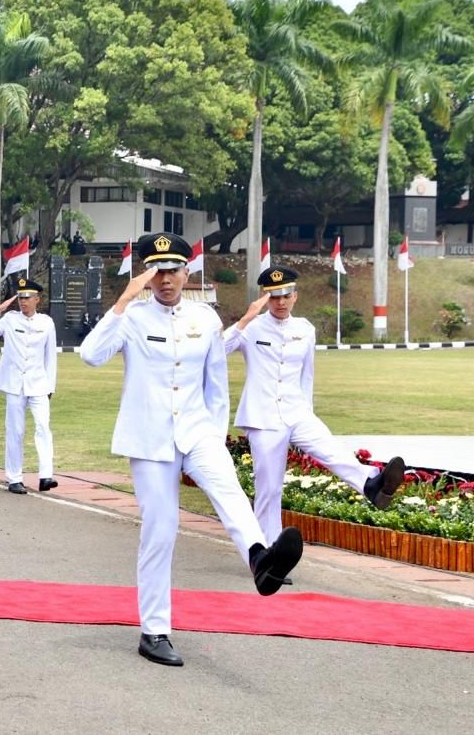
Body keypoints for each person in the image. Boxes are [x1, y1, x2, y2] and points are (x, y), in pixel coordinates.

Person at [79, 233, 304, 667]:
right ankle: (155, 630)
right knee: (160, 531)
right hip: (150, 438)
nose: (166, 279)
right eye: (157, 271)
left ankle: (260, 560)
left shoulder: (205, 319)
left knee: (228, 487)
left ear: (187, 272)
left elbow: (215, 385)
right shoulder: (132, 317)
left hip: (198, 429)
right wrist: (124, 299)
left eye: (174, 270)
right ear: (147, 275)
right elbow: (90, 355)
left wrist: (213, 435)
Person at [225, 266, 405, 543]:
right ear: (265, 298)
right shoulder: (252, 328)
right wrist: (245, 319)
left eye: (286, 296)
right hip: (263, 418)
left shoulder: (305, 329)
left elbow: (306, 374)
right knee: (269, 489)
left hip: (297, 411)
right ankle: (268, 551)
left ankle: (371, 484)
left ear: (295, 296)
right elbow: (218, 349)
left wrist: (307, 412)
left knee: (331, 448)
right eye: (274, 297)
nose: (281, 302)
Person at [0, 278, 58, 493]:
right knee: (15, 430)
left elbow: (50, 356)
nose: (23, 302)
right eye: (21, 298)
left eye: (28, 298)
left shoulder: (46, 322)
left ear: (37, 299)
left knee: (43, 427)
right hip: (15, 384)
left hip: (38, 383)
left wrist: (50, 386)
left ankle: (46, 475)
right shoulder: (10, 320)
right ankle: (14, 477)